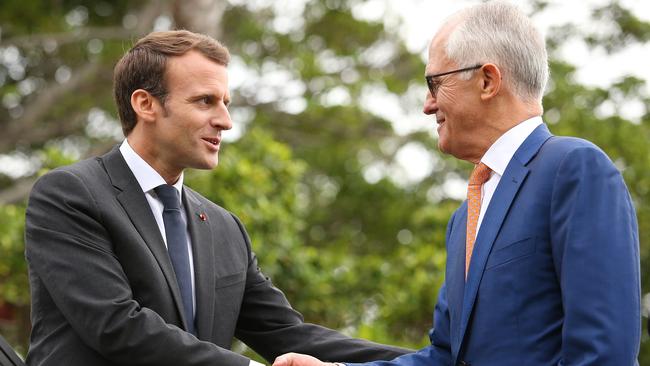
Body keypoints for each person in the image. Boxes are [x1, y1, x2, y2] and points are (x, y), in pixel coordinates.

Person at [272, 2, 641, 366]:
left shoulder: (573, 168)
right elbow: (445, 358)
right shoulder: (465, 216)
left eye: (434, 83)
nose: (427, 105)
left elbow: (603, 356)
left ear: (487, 81)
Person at [23, 30, 410, 366]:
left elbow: (288, 335)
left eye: (226, 102)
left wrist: (425, 363)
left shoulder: (225, 228)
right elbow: (117, 327)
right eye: (205, 101)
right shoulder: (69, 195)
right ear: (145, 104)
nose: (225, 120)